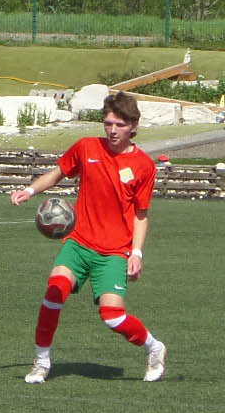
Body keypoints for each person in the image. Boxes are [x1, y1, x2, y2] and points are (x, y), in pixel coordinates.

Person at [9, 90, 167, 383]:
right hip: (79, 243)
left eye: (120, 125)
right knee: (54, 293)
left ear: (133, 125)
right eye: (108, 123)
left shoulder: (144, 165)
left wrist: (136, 253)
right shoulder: (86, 147)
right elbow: (57, 173)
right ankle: (41, 362)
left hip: (114, 252)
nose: (112, 130)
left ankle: (154, 347)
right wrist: (29, 190)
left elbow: (141, 215)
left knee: (112, 316)